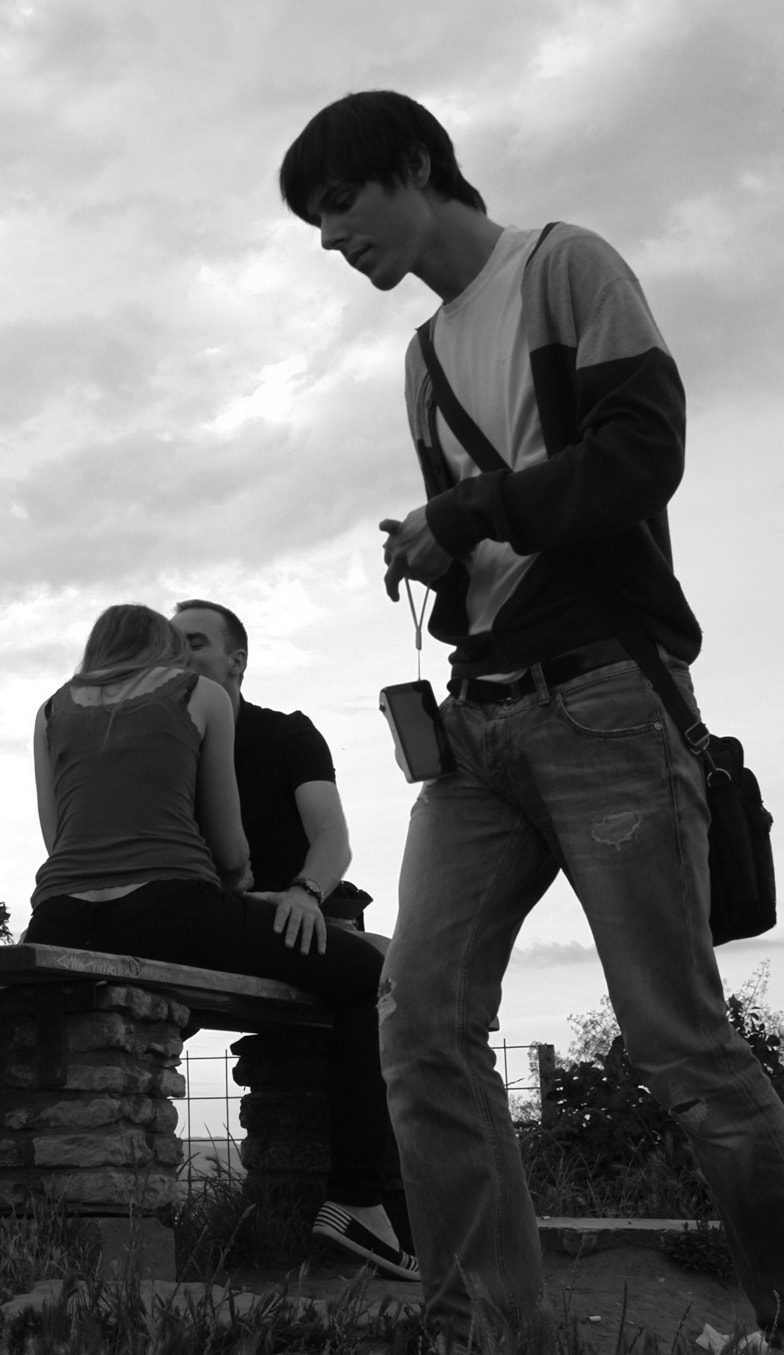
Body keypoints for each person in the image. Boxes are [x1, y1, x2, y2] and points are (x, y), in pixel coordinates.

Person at [281, 89, 784, 1343]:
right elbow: (497, 531)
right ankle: (486, 1328)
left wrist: (465, 514)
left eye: (338, 204)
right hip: (479, 725)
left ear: (414, 165)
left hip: (605, 700)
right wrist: (435, 552)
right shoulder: (421, 361)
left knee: (681, 1046)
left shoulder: (567, 268)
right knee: (419, 1025)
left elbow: (641, 456)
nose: (331, 240)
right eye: (315, 224)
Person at [21, 604, 416, 1279]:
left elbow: (57, 838)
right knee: (372, 979)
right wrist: (237, 894)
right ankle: (357, 1199)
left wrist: (300, 894)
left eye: (196, 641)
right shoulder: (197, 695)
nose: (183, 653)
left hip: (57, 915)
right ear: (160, 647)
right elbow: (231, 854)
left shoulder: (51, 708)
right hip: (173, 911)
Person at [169, 599, 362, 938]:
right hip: (203, 917)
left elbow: (331, 834)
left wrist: (305, 894)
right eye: (170, 649)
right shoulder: (161, 750)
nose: (178, 658)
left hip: (289, 919)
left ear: (237, 661)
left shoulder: (289, 734)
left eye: (195, 645)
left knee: (385, 962)